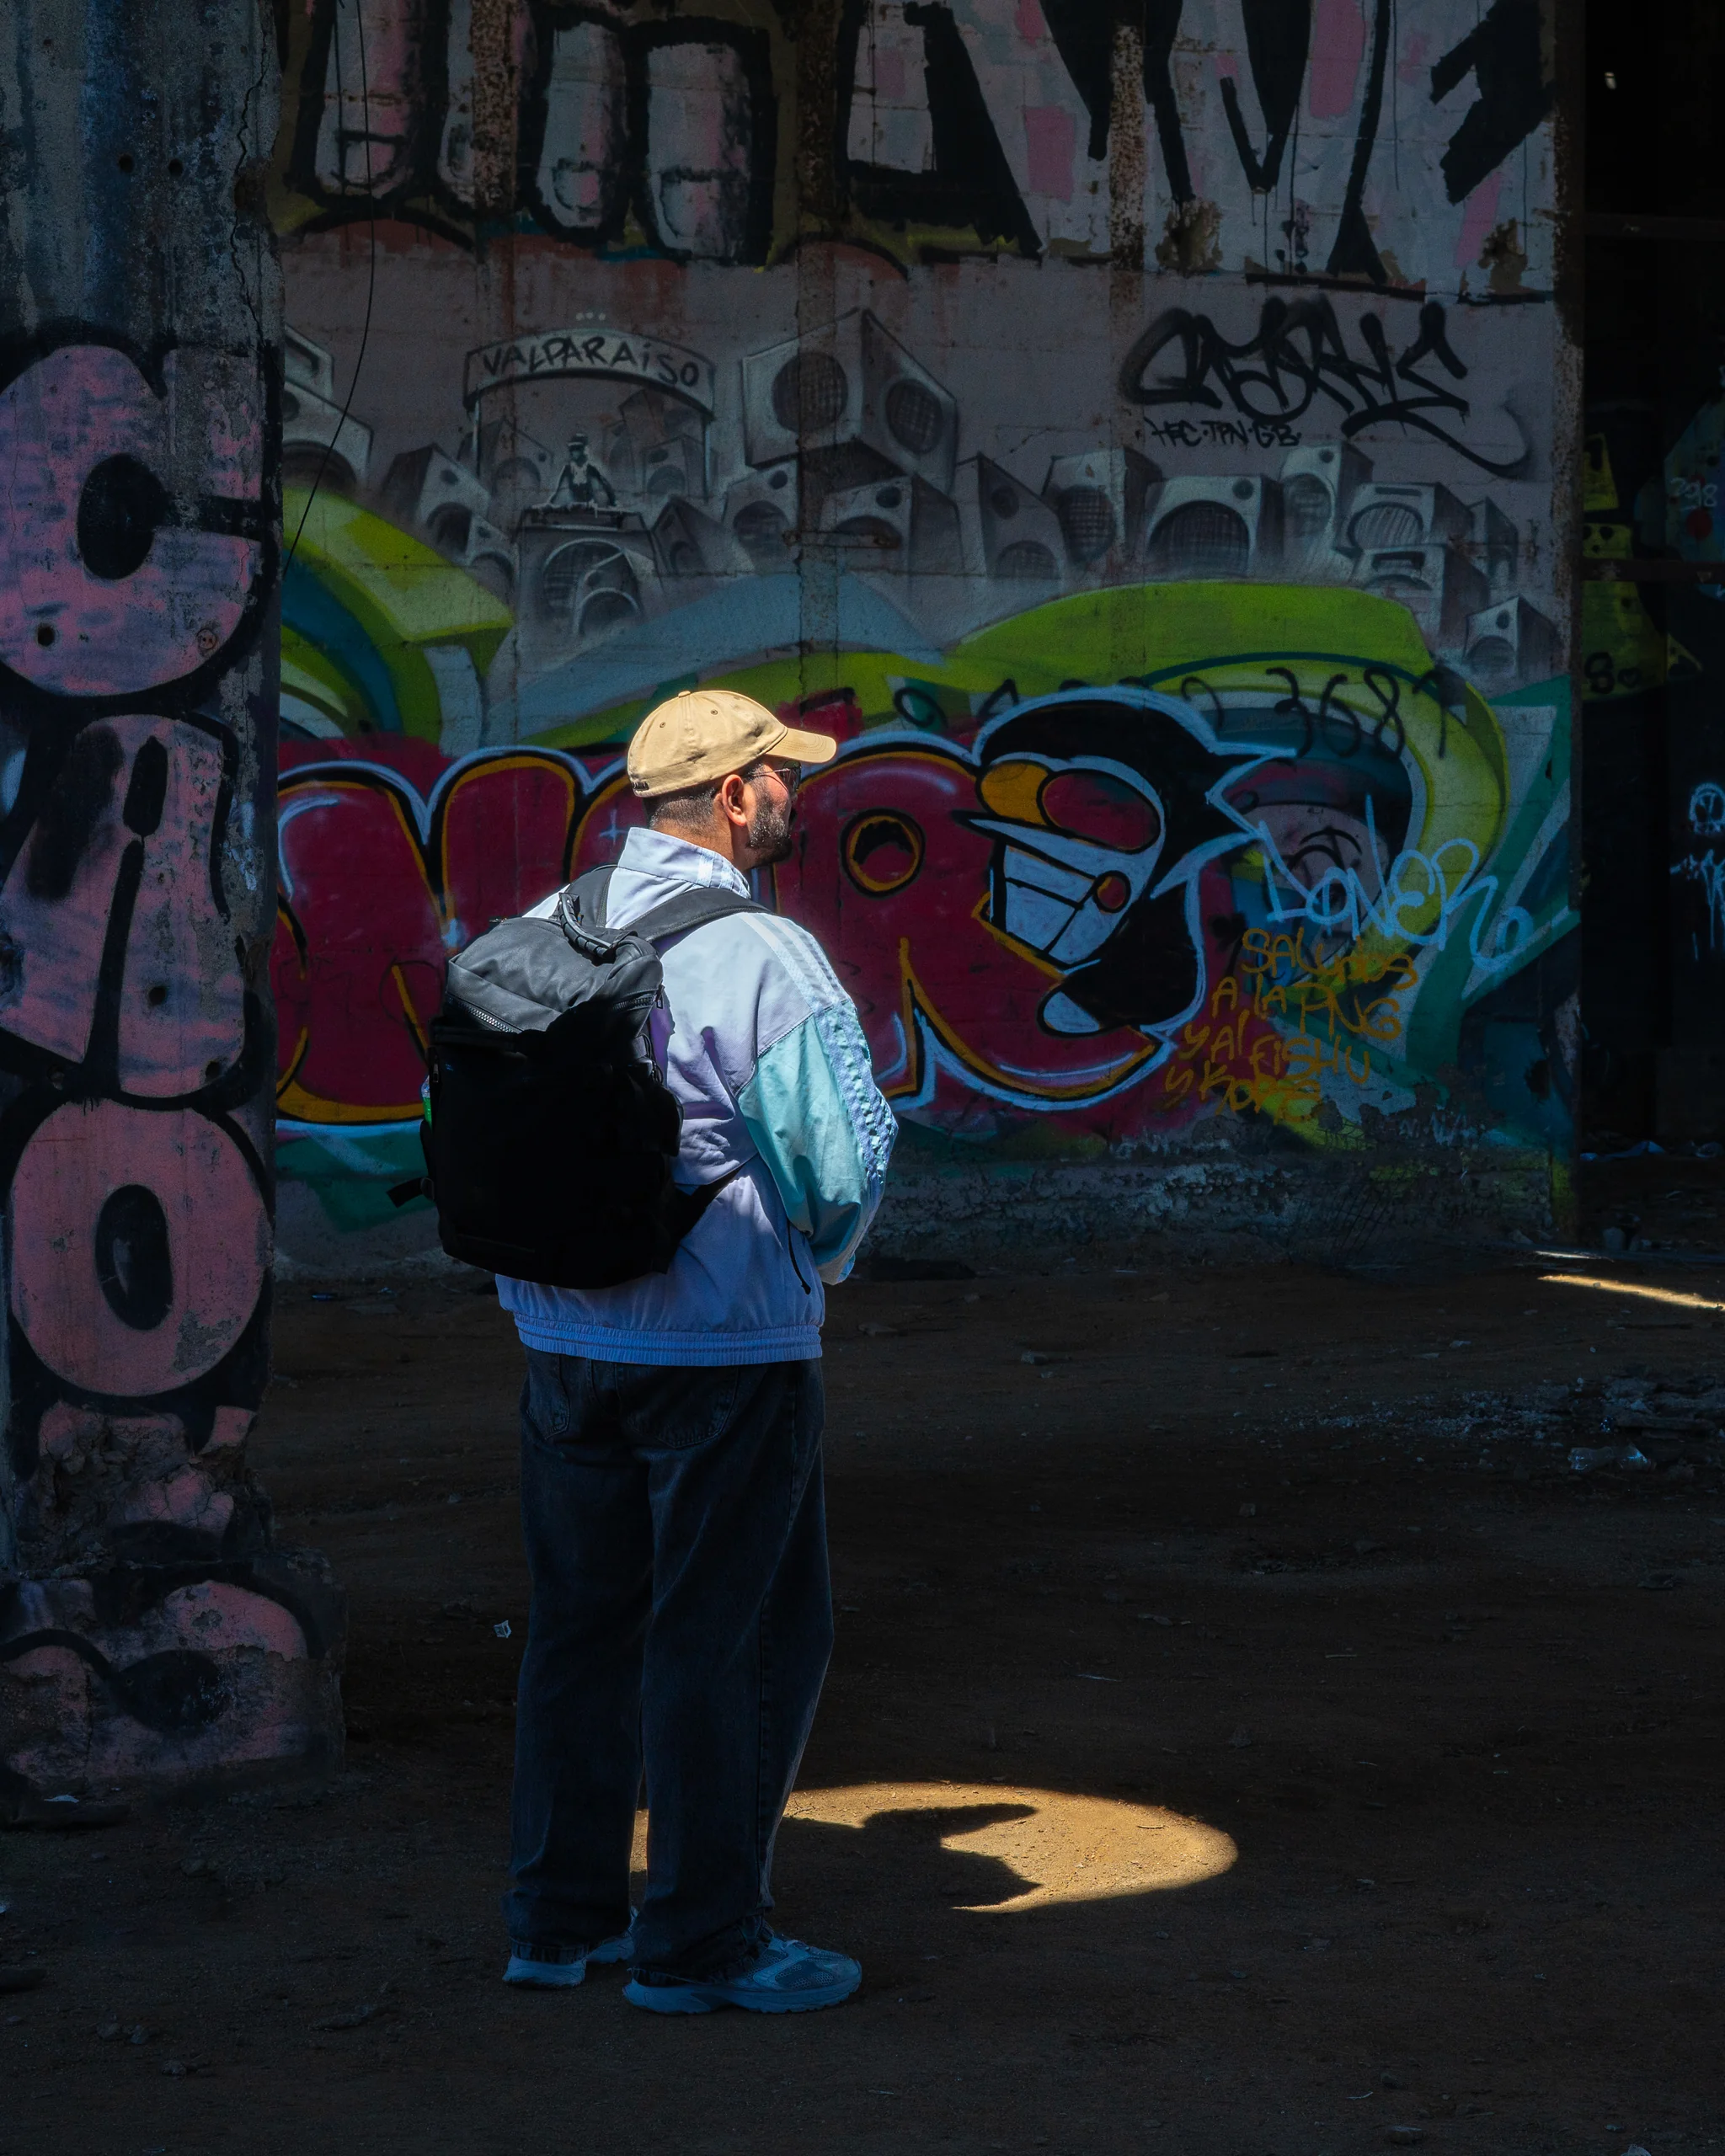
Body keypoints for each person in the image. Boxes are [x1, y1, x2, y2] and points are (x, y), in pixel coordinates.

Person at [496, 687, 896, 2015]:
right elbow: (836, 1170)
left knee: (580, 1635)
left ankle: (557, 1927)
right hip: (725, 1350)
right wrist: (812, 1270)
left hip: (560, 1339)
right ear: (735, 793)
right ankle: (703, 1943)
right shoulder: (765, 955)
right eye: (785, 773)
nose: (798, 794)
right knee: (740, 1642)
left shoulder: (543, 930)